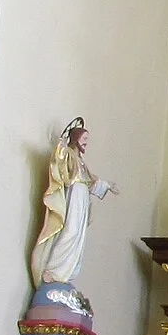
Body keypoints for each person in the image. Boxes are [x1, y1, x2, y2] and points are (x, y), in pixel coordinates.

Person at [29, 118, 117, 288]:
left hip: (82, 197)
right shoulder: (69, 154)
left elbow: (90, 180)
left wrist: (107, 185)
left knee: (78, 235)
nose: (86, 144)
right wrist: (61, 146)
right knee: (70, 230)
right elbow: (59, 164)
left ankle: (65, 274)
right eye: (84, 139)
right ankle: (53, 271)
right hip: (74, 196)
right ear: (76, 139)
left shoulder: (81, 161)